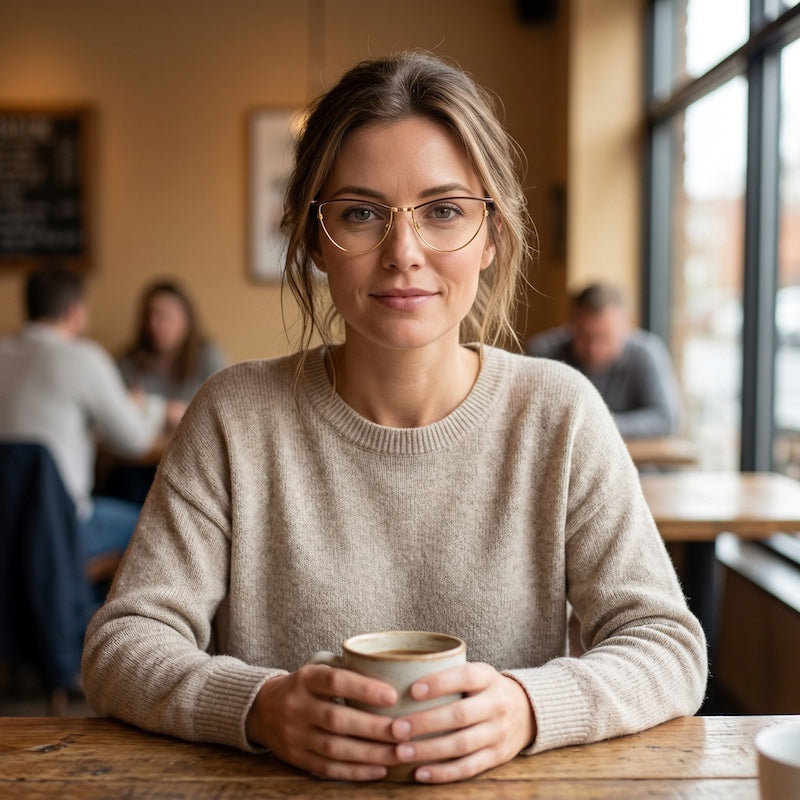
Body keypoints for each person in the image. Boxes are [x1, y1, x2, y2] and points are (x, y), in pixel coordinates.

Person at [82, 51, 706, 784]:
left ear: (492, 234)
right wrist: (257, 706)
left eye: (444, 211)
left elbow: (666, 644)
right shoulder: (235, 415)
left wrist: (529, 707)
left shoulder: (558, 412)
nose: (403, 253)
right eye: (360, 213)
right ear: (315, 239)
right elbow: (122, 644)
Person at [0, 266, 183, 567]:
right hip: (60, 528)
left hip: (6, 527)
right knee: (153, 527)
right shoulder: (83, 358)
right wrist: (148, 408)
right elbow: (134, 440)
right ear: (74, 311)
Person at [102, 279, 227, 505]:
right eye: (149, 315)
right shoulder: (127, 362)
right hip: (137, 467)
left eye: (164, 316)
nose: (155, 324)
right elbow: (115, 429)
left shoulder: (208, 357)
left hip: (191, 464)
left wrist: (156, 411)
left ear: (186, 319)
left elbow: (220, 419)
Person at [526, 283, 682, 439]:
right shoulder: (544, 354)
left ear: (626, 326)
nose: (594, 349)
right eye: (584, 337)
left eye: (605, 337)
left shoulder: (646, 354)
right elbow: (530, 416)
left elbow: (665, 419)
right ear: (570, 325)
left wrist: (594, 425)